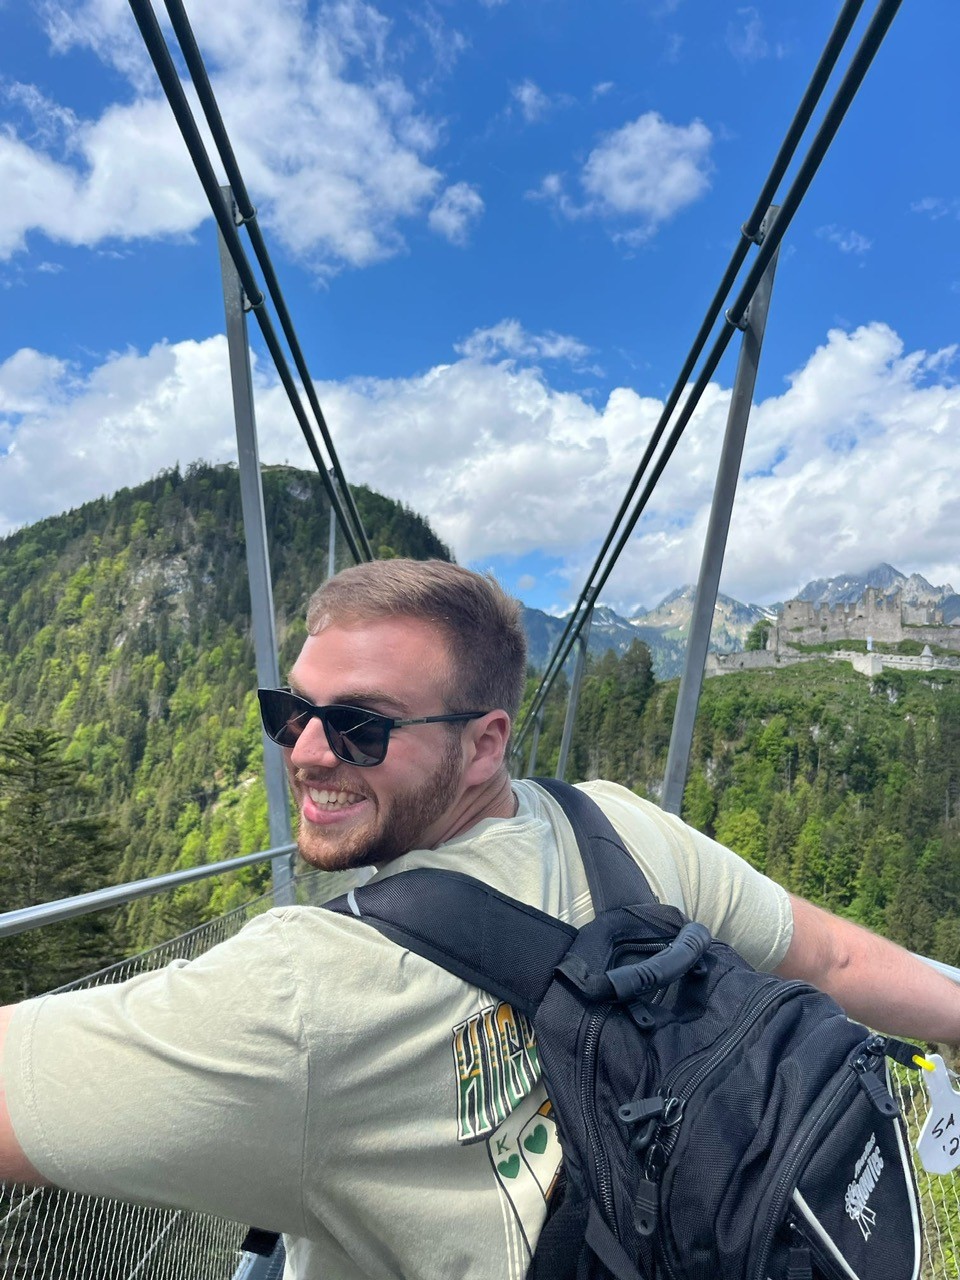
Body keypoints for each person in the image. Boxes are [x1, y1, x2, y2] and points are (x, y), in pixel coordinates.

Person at [0, 557, 957, 1280]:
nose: (307, 754)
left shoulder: (306, 991)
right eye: (290, 711)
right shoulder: (613, 824)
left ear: (484, 744)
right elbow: (828, 957)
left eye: (363, 726)